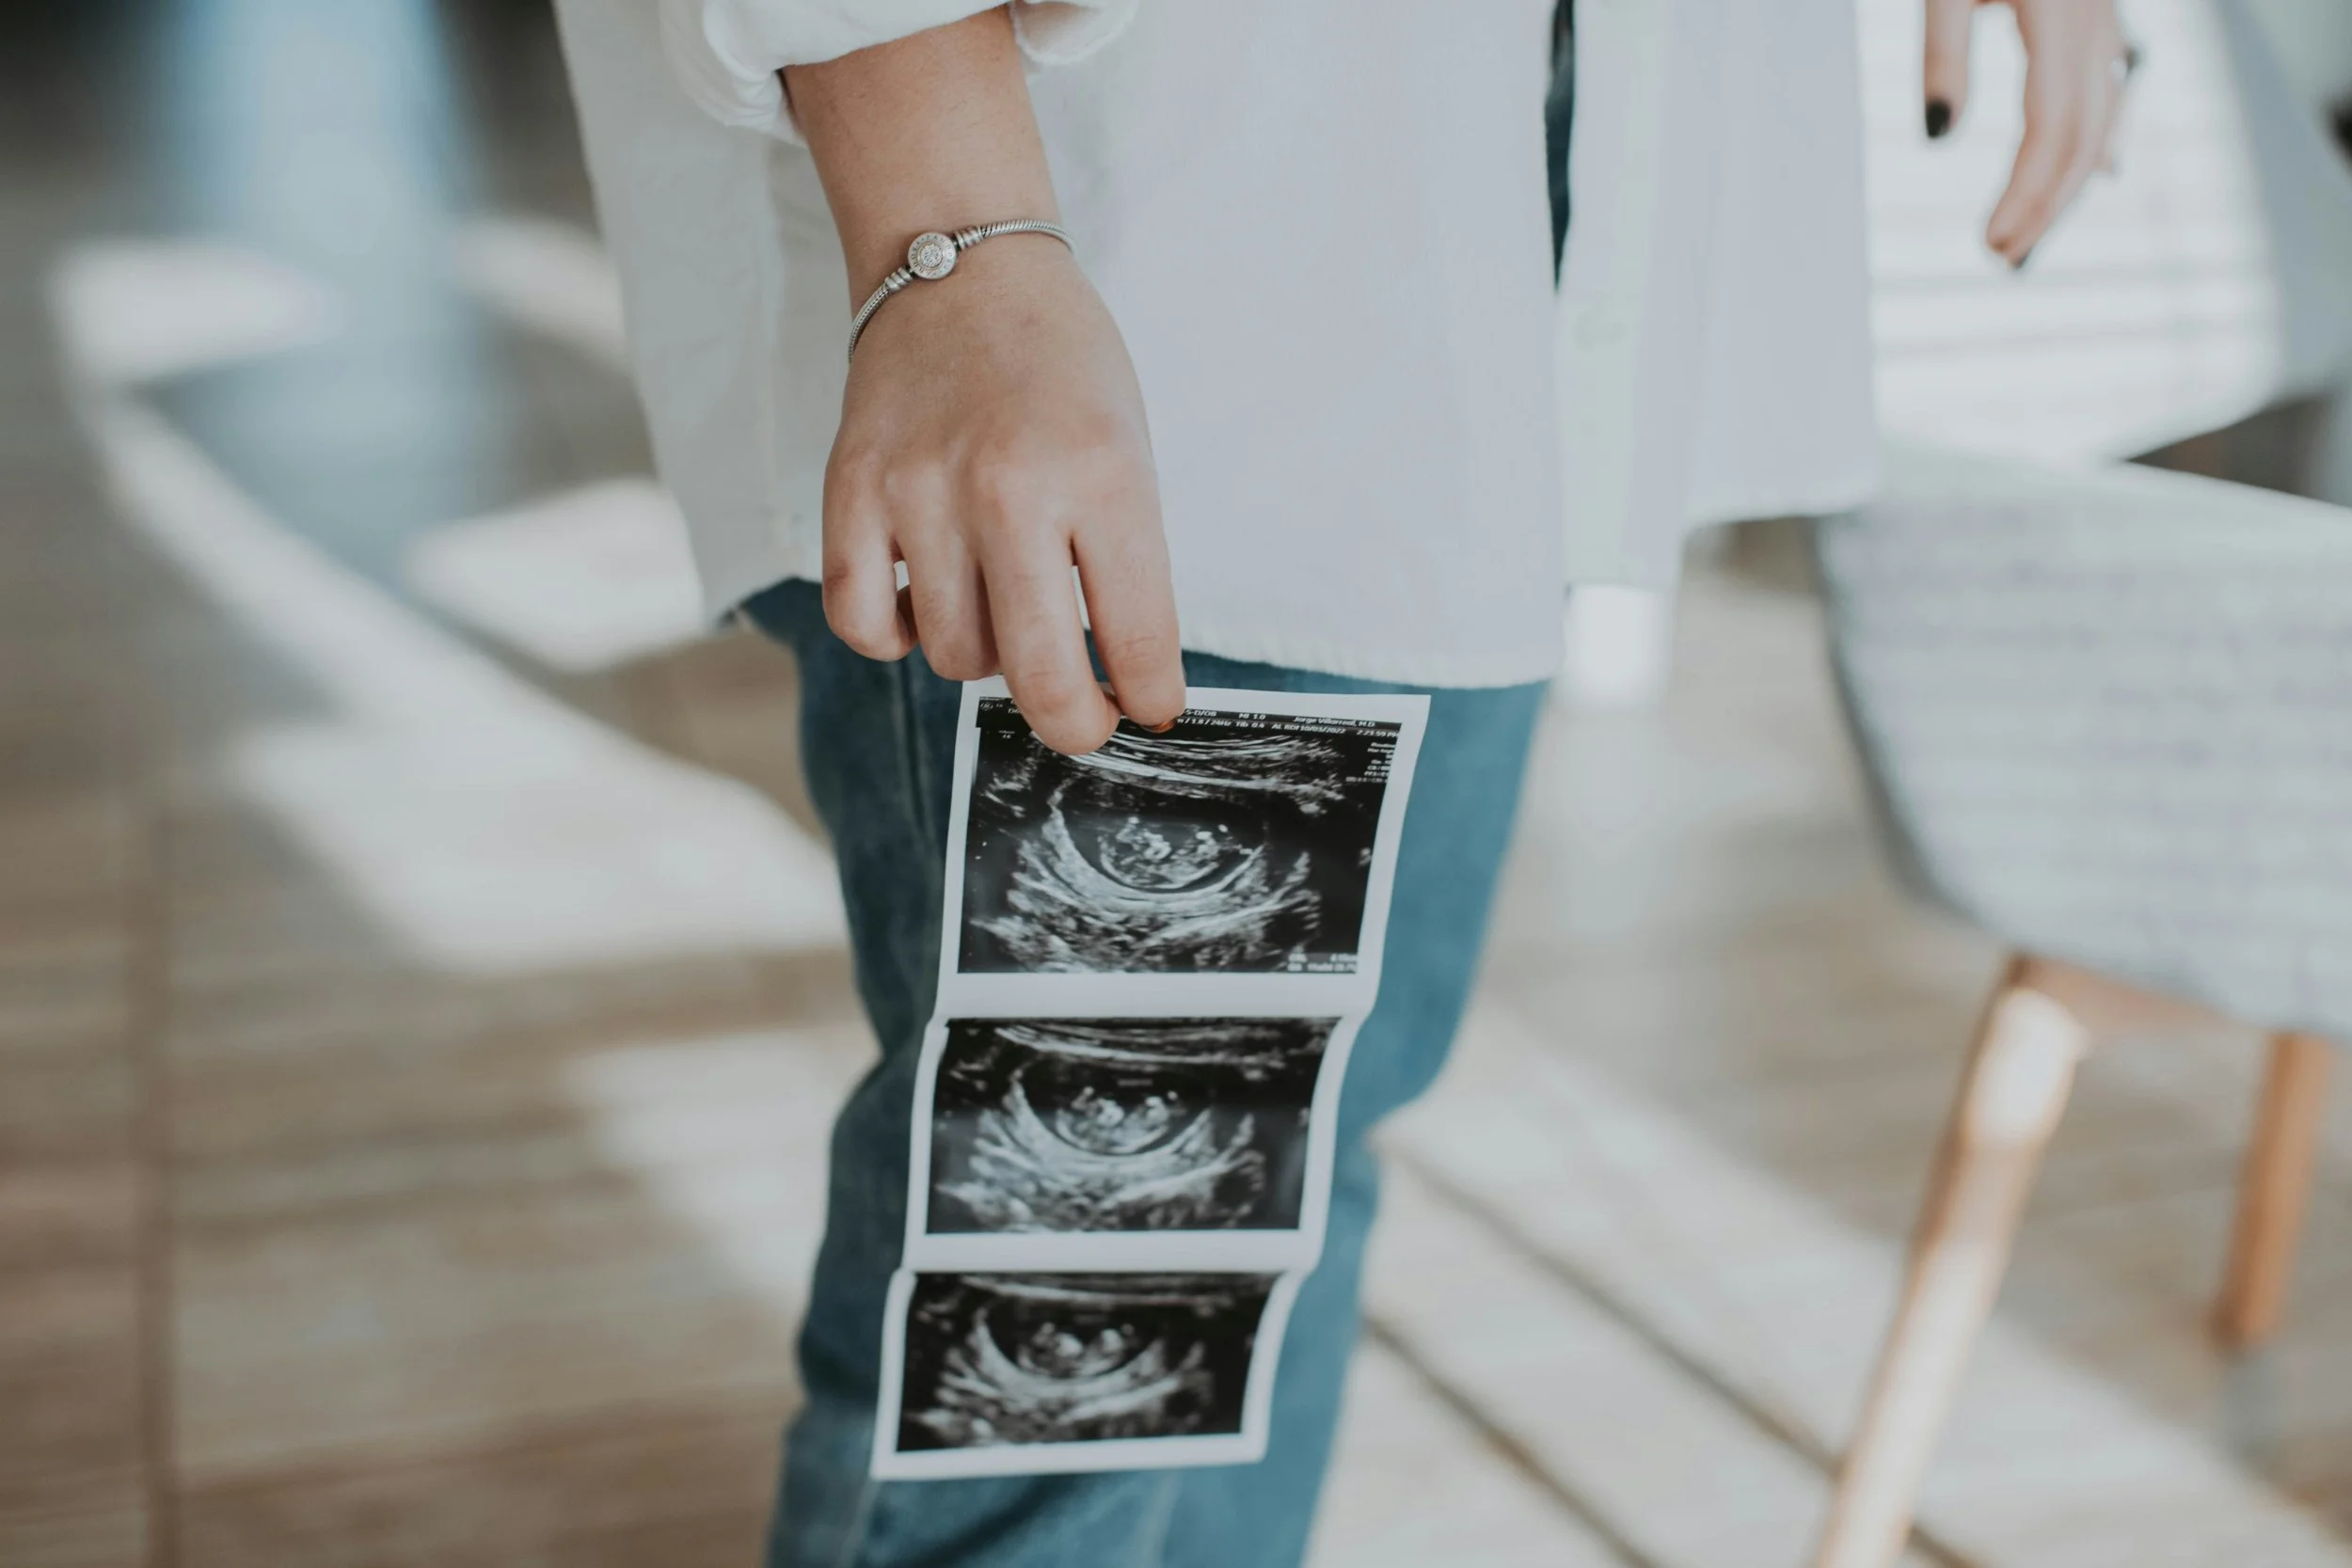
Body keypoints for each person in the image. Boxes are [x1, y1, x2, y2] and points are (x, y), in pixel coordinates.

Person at [551, 2, 2133, 1562]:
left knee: (1292, 1149)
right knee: (1106, 1267)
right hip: (1125, 242)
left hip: (1509, 165)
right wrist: (954, 235)